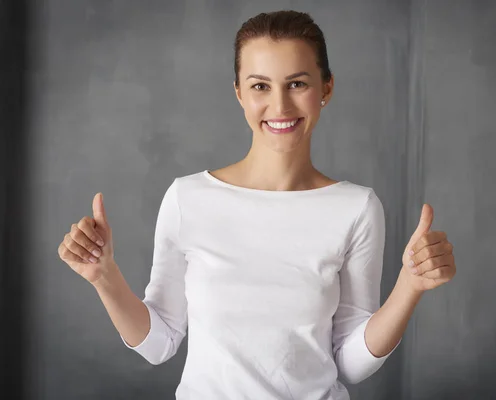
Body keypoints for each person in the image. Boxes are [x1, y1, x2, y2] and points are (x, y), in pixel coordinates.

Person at [57, 9, 457, 400]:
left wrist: (409, 287)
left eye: (297, 84)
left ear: (327, 88)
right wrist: (104, 277)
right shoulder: (187, 198)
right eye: (260, 86)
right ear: (239, 93)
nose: (280, 107)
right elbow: (159, 343)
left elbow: (350, 362)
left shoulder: (356, 208)